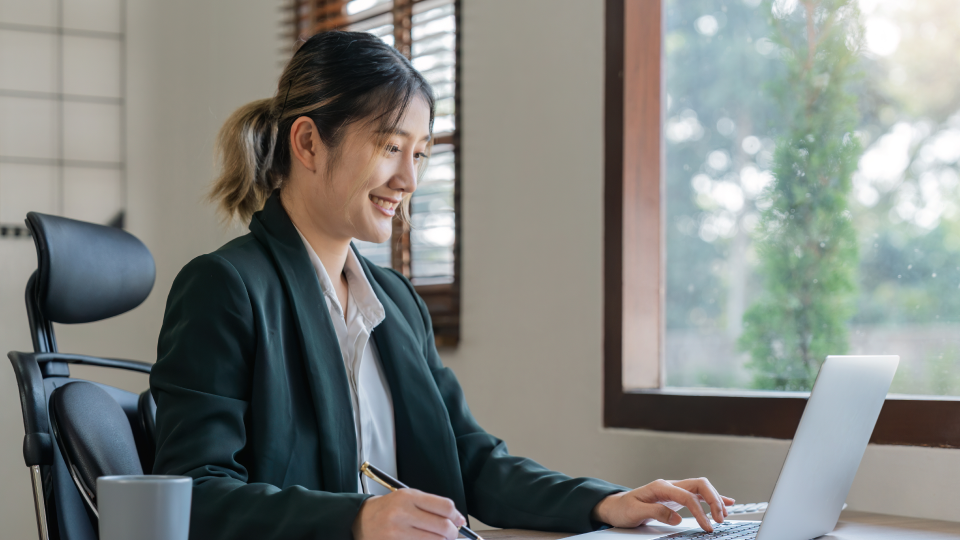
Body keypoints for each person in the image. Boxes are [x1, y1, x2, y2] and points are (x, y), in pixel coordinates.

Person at [150, 31, 733, 540]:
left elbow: (471, 461)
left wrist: (605, 502)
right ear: (307, 143)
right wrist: (357, 521)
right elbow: (191, 494)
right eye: (389, 146)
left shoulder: (396, 302)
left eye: (421, 153)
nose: (408, 178)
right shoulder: (226, 287)